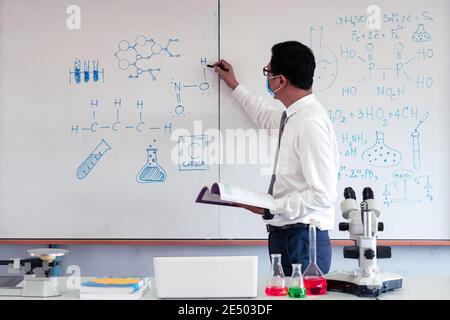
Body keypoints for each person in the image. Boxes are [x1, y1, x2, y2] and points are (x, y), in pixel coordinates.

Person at [213, 41, 339, 276]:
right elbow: (263, 115)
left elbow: (324, 194)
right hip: (289, 237)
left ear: (281, 80)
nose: (267, 77)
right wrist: (234, 84)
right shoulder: (292, 118)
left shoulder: (309, 123)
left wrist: (271, 208)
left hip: (302, 241)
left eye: (268, 72)